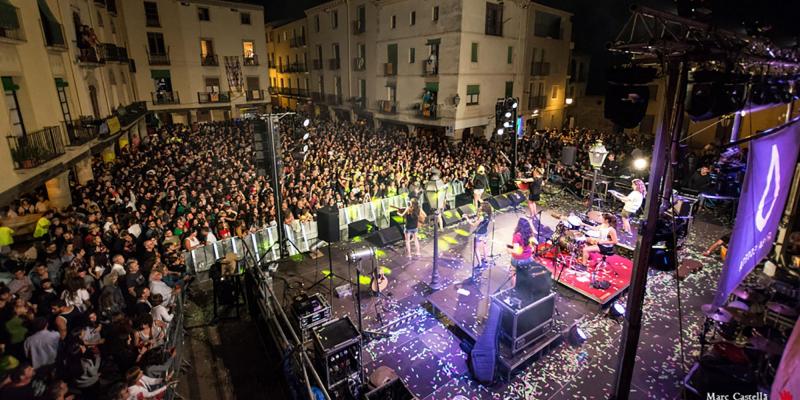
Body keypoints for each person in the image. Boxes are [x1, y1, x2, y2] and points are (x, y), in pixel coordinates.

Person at [507, 217, 536, 287]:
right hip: (528, 258)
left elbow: (516, 250)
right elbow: (532, 247)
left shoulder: (517, 235)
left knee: (513, 274)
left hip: (518, 259)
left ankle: (514, 289)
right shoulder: (530, 233)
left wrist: (508, 249)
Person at [468, 202, 493, 268]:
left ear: (484, 208)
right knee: (484, 246)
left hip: (479, 234)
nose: (480, 207)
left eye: (481, 206)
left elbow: (473, 224)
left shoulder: (482, 217)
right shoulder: (488, 214)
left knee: (476, 248)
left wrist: (467, 219)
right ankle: (485, 259)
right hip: (485, 232)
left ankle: (480, 264)